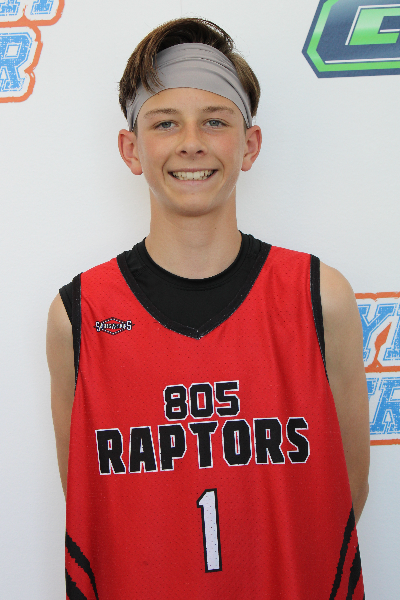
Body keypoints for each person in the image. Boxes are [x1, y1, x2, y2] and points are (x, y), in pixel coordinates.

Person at [46, 17, 370, 600]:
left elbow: (342, 496)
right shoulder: (80, 315)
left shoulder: (320, 297)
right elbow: (95, 507)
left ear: (250, 145)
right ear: (131, 149)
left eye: (215, 120)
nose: (191, 142)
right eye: (165, 122)